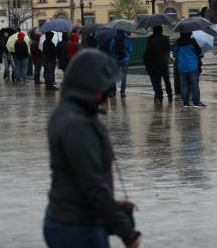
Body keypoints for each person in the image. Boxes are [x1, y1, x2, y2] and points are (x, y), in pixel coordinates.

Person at [43, 49, 141, 248]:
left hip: (70, 221)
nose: (105, 94)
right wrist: (127, 233)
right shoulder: (75, 123)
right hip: (78, 228)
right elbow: (93, 183)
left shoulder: (72, 111)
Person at [143, 25, 173, 103]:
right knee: (166, 79)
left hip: (154, 63)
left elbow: (147, 51)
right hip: (163, 62)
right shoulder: (165, 38)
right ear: (161, 30)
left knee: (157, 80)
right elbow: (168, 49)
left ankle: (160, 96)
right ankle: (169, 95)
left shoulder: (150, 39)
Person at [172, 31, 203, 108]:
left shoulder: (177, 42)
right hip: (192, 67)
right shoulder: (192, 41)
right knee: (194, 85)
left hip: (182, 67)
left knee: (184, 86)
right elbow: (199, 52)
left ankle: (186, 103)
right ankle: (196, 103)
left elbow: (175, 54)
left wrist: (180, 58)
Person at [109, 30, 133, 98]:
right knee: (124, 76)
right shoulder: (127, 39)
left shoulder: (113, 39)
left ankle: (113, 91)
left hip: (116, 60)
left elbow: (110, 50)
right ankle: (122, 92)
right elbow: (131, 50)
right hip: (125, 60)